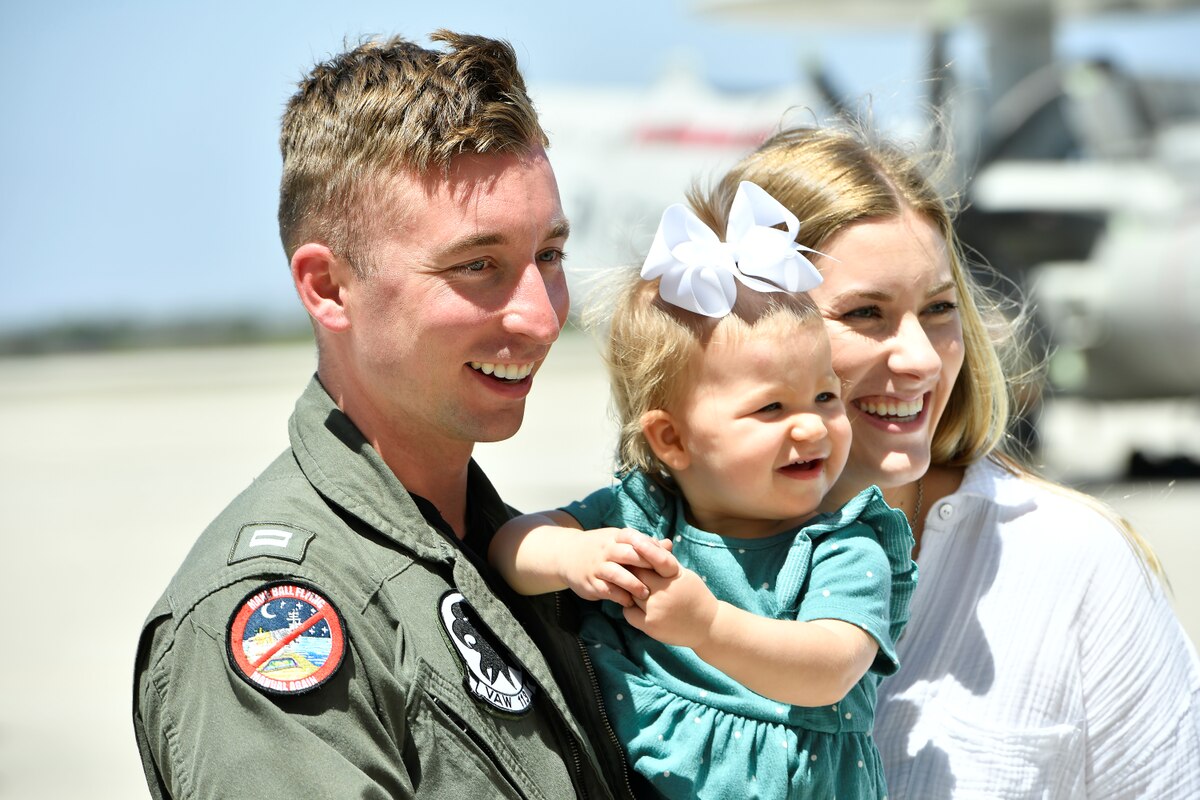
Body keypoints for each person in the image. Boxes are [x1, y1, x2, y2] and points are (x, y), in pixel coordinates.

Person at [132, 32, 636, 799]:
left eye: (550, 256)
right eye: (478, 266)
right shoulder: (281, 615)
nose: (541, 318)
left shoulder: (507, 550)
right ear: (329, 288)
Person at [708, 123, 1200, 798]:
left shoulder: (1073, 563)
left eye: (940, 309)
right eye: (867, 313)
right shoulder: (647, 559)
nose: (920, 359)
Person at [489, 181, 919, 799]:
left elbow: (831, 666)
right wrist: (574, 554)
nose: (812, 426)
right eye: (771, 408)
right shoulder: (641, 518)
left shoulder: (844, 544)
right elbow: (510, 547)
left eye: (826, 396)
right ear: (672, 440)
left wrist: (709, 625)